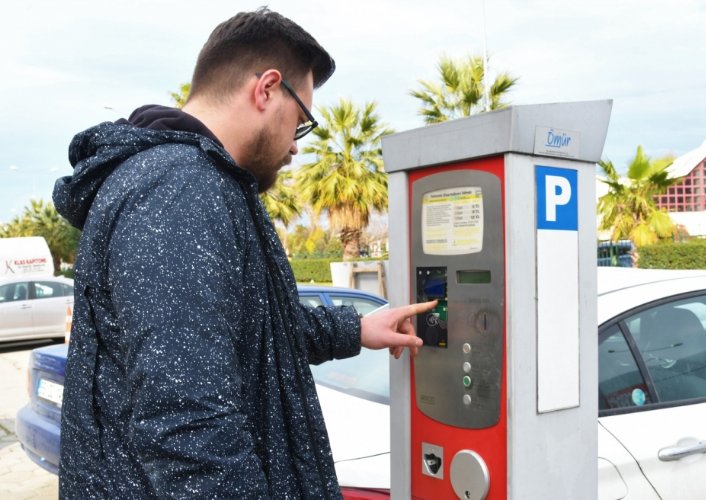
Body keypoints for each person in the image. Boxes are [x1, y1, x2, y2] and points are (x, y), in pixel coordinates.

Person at [53, 7, 433, 499]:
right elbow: (187, 425)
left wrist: (355, 329)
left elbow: (245, 326)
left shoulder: (187, 182)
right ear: (267, 89)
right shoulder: (179, 190)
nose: (296, 147)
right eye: (301, 122)